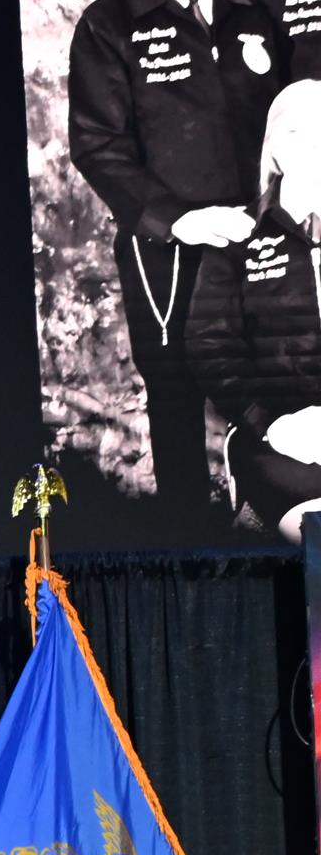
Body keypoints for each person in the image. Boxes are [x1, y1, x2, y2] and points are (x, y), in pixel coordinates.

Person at [69, 0, 293, 525]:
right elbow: (98, 145)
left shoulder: (250, 15)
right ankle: (190, 544)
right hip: (166, 254)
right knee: (177, 400)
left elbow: (289, 125)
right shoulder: (109, 23)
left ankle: (274, 529)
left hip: (260, 244)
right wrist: (177, 220)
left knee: (280, 383)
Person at [186, 77, 321, 541]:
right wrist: (272, 421)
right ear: (277, 147)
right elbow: (209, 346)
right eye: (303, 133)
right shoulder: (238, 238)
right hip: (274, 436)